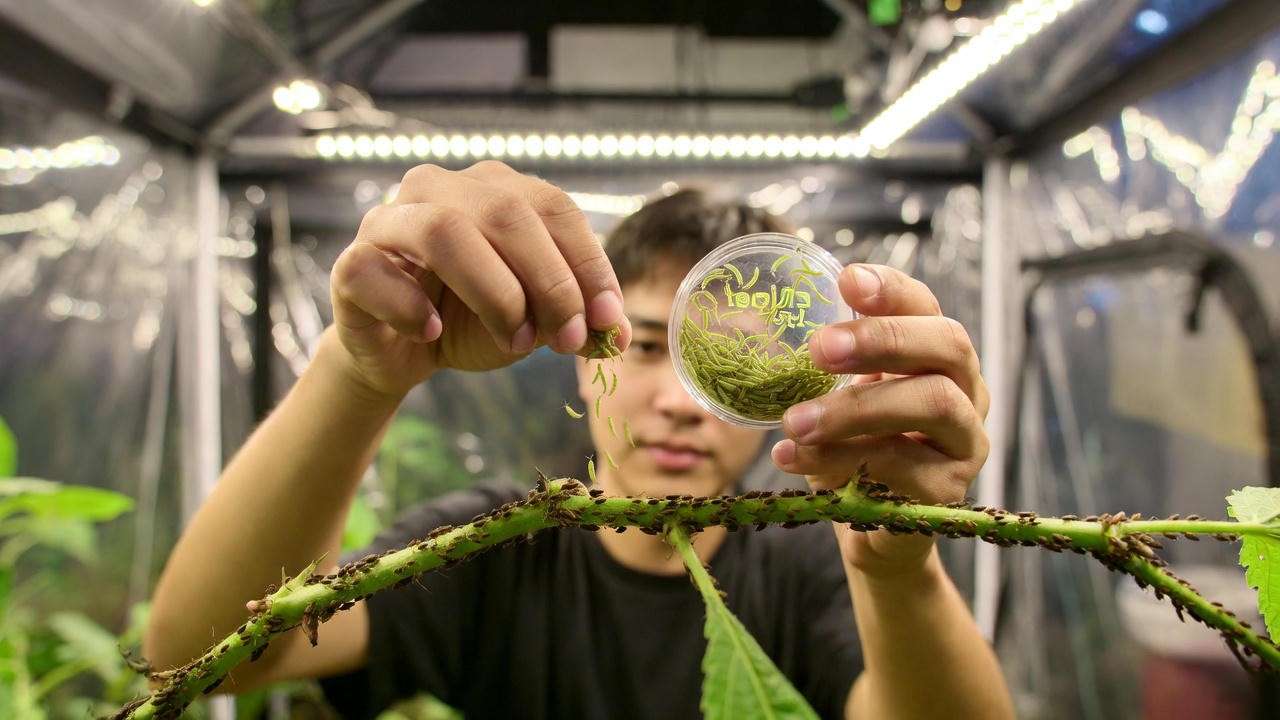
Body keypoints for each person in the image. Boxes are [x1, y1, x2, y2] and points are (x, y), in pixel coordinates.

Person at [144, 161, 1012, 719]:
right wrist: (357, 371)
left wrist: (897, 567)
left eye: (727, 363)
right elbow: (202, 660)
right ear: (586, 350)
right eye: (643, 345)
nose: (679, 401)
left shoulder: (809, 562)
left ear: (793, 382)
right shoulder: (494, 548)